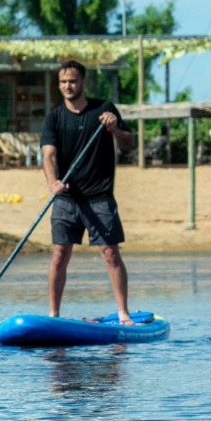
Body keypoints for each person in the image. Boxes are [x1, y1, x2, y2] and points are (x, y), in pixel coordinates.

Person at [40, 60, 137, 323]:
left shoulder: (104, 109)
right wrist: (53, 182)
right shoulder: (54, 118)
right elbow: (48, 154)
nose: (67, 86)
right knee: (59, 254)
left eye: (72, 81)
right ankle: (54, 316)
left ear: (83, 82)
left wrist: (114, 128)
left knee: (110, 253)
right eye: (63, 82)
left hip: (99, 197)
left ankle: (123, 313)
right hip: (66, 198)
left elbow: (129, 144)